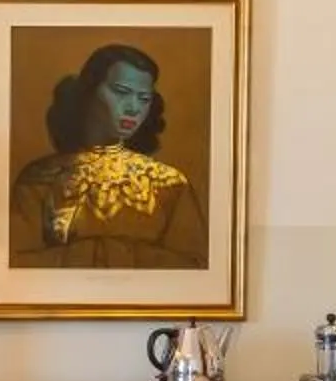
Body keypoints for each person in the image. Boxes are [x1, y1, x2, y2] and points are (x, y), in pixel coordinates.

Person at [10, 44, 207, 268]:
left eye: (144, 98)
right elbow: (16, 264)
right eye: (121, 92)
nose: (133, 108)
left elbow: (195, 267)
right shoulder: (39, 178)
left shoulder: (170, 183)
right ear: (89, 91)